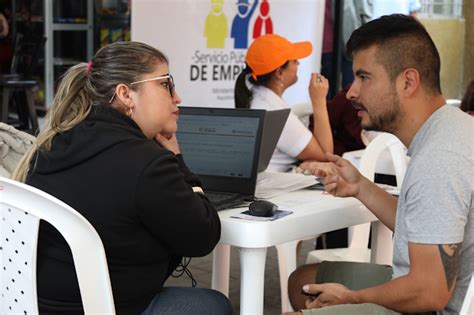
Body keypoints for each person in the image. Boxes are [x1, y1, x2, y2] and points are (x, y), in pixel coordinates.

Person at [12, 41, 232, 315]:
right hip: (107, 307)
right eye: (166, 84)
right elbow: (203, 236)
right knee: (212, 304)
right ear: (126, 94)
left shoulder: (53, 143)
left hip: (33, 305)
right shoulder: (147, 163)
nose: (177, 97)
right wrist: (178, 160)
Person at [287, 14, 473, 315]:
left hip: (433, 304)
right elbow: (425, 224)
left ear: (408, 82)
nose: (351, 92)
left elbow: (430, 292)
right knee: (303, 281)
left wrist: (351, 298)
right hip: (422, 285)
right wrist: (361, 187)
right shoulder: (450, 127)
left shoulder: (440, 158)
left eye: (364, 77)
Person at [234, 34, 333, 172]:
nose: (298, 62)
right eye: (294, 60)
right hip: (271, 190)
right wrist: (319, 100)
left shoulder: (258, 97)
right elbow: (326, 155)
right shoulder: (273, 109)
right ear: (279, 73)